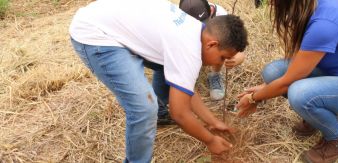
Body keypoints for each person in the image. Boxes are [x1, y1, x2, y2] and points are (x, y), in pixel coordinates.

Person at [69, 0, 248, 162]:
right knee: (144, 108)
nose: (221, 63)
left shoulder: (195, 30)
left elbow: (187, 88)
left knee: (170, 79)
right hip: (96, 33)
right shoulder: (188, 48)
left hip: (108, 21)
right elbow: (180, 114)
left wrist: (212, 121)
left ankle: (161, 112)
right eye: (223, 57)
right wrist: (210, 140)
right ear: (212, 44)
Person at [236, 0, 338, 162]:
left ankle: (337, 140)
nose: (269, 3)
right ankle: (315, 118)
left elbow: (287, 82)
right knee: (273, 72)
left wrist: (254, 98)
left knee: (299, 94)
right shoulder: (310, 5)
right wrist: (264, 88)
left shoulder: (325, 24)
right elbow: (297, 68)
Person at [179, 0, 246, 101]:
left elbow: (239, 51)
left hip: (211, 43)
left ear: (210, 11)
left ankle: (215, 74)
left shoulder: (222, 18)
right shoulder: (179, 20)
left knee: (219, 50)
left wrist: (235, 59)